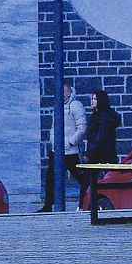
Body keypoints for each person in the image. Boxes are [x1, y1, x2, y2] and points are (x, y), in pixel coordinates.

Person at [40, 82, 88, 211]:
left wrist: (70, 142)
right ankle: (48, 206)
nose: (60, 94)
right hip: (57, 150)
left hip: (70, 151)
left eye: (63, 91)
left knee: (81, 178)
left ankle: (86, 202)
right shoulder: (59, 106)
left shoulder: (75, 105)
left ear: (68, 93)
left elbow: (82, 128)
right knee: (50, 178)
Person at [80, 88, 122, 209]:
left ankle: (83, 205)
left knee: (91, 180)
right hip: (102, 153)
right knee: (91, 180)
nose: (92, 101)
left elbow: (100, 138)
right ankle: (85, 205)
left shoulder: (104, 117)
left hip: (100, 154)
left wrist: (89, 153)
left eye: (95, 99)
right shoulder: (97, 115)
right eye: (92, 99)